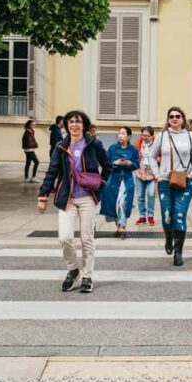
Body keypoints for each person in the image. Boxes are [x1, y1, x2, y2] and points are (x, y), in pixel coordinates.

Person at [37, 110, 112, 294]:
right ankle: (73, 269)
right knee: (64, 237)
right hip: (67, 198)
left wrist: (101, 183)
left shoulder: (94, 144)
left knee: (87, 239)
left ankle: (87, 276)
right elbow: (52, 171)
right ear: (67, 125)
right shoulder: (61, 146)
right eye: (71, 122)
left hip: (88, 198)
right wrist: (43, 196)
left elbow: (107, 165)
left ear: (84, 125)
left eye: (78, 122)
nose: (74, 125)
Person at [148, 106, 192, 266]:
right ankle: (168, 238)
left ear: (182, 119)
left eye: (178, 116)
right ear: (168, 119)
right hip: (165, 181)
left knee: (179, 215)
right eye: (171, 116)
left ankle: (178, 252)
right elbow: (151, 156)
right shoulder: (162, 135)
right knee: (167, 216)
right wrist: (157, 175)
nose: (174, 119)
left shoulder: (190, 136)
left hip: (184, 181)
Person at [100, 127, 140, 238]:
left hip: (127, 180)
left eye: (123, 133)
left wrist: (130, 163)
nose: (120, 136)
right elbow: (106, 163)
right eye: (119, 133)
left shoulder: (133, 150)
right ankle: (118, 225)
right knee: (114, 204)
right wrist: (115, 163)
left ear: (129, 136)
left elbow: (137, 164)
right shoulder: (112, 148)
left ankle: (122, 226)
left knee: (123, 203)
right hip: (113, 180)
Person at [134, 126, 157, 226]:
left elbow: (161, 156)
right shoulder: (138, 144)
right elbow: (134, 156)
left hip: (152, 174)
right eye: (143, 135)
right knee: (140, 196)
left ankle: (150, 215)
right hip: (140, 173)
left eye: (147, 136)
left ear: (152, 136)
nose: (144, 137)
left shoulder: (156, 145)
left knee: (151, 194)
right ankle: (142, 216)